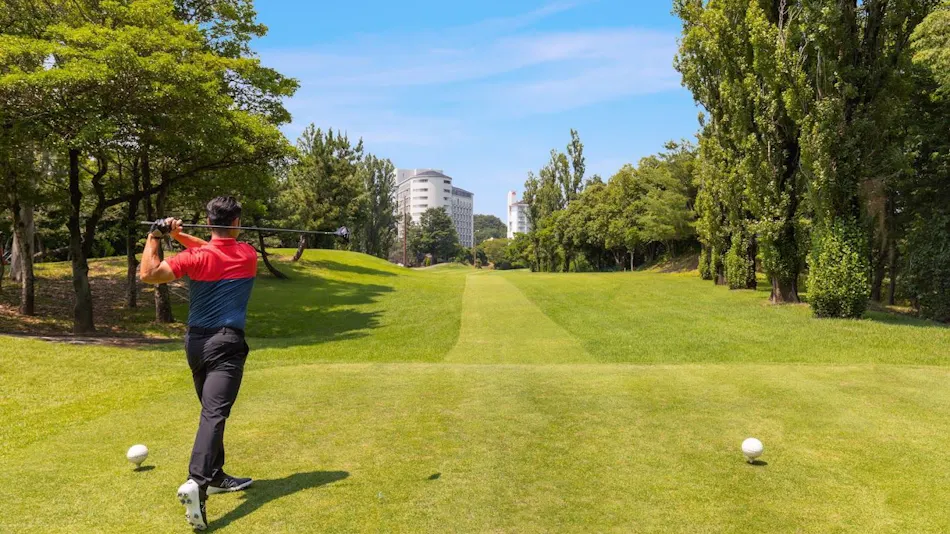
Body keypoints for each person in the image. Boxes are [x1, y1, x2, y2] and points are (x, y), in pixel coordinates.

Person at [140, 196, 257, 531]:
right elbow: (217, 248)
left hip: (195, 343)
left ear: (208, 222)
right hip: (227, 344)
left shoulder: (195, 256)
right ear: (236, 223)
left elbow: (148, 274)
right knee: (214, 413)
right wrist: (174, 236)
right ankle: (197, 481)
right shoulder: (247, 254)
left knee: (210, 410)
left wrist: (156, 237)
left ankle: (216, 475)